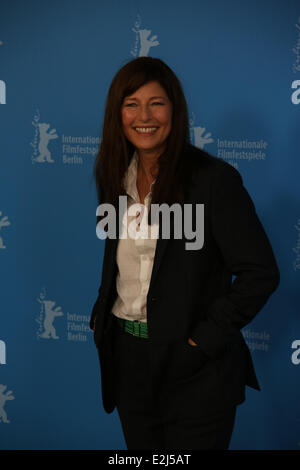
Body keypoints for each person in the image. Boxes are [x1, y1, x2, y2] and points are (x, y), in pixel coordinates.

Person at [90, 56, 280, 450]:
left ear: (174, 110)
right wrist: (102, 317)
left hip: (194, 368)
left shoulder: (212, 180)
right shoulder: (114, 175)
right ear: (118, 114)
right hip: (127, 359)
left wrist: (202, 340)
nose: (145, 115)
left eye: (156, 103)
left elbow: (260, 272)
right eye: (132, 104)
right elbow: (122, 262)